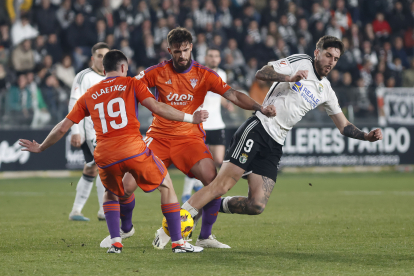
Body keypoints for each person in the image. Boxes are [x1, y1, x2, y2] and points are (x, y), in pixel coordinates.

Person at [179, 36, 383, 232]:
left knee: (256, 205)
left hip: (276, 143)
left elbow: (343, 125)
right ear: (317, 52)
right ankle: (174, 224)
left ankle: (206, 207)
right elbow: (262, 72)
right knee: (221, 185)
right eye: (328, 55)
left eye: (336, 59)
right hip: (258, 128)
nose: (331, 62)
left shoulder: (326, 90)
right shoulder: (301, 62)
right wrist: (289, 77)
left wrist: (366, 136)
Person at [19, 49, 207, 254]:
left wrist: (41, 147)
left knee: (111, 193)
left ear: (104, 68)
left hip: (105, 155)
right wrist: (191, 118)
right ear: (124, 67)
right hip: (133, 149)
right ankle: (178, 243)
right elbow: (158, 107)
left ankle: (116, 242)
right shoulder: (132, 83)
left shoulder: (89, 94)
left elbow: (63, 127)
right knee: (166, 185)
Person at [124, 27, 275, 250]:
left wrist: (259, 107)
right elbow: (130, 88)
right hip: (159, 137)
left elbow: (232, 94)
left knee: (212, 182)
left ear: (191, 47)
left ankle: (205, 236)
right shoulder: (156, 72)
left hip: (190, 139)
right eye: (177, 52)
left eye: (185, 50)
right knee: (126, 185)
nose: (182, 55)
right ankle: (125, 229)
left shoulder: (204, 74)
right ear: (169, 51)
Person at [182, 47, 233, 203]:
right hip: (200, 123)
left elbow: (221, 95)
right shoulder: (197, 73)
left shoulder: (222, 74)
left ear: (219, 59)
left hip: (217, 122)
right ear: (206, 58)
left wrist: (226, 104)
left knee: (218, 159)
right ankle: (186, 192)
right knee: (196, 160)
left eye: (216, 56)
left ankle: (198, 184)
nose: (214, 58)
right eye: (211, 56)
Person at [67, 42, 109, 221]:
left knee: (91, 168)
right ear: (93, 58)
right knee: (104, 166)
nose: (102, 59)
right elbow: (74, 103)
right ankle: (104, 210)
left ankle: (76, 211)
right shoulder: (84, 76)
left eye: (105, 56)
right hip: (88, 130)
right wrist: (75, 130)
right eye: (99, 56)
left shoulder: (110, 77)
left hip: (103, 131)